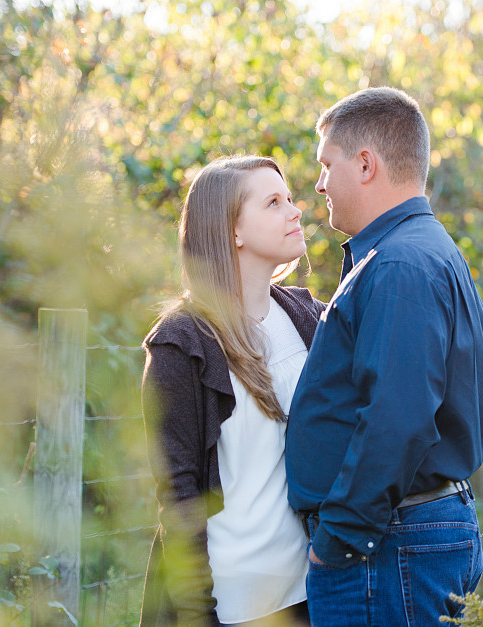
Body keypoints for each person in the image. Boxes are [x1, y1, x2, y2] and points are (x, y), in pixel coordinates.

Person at [285, 87, 483, 625]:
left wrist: (336, 541)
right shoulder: (423, 250)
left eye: (326, 165)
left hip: (386, 546)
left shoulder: (400, 264)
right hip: (403, 538)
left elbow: (397, 420)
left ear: (364, 163)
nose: (319, 182)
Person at [140, 155, 323, 626]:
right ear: (232, 231)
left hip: (309, 591)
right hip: (232, 602)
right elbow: (178, 496)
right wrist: (199, 614)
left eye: (289, 198)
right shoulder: (183, 344)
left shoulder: (309, 319)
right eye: (273, 202)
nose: (294, 210)